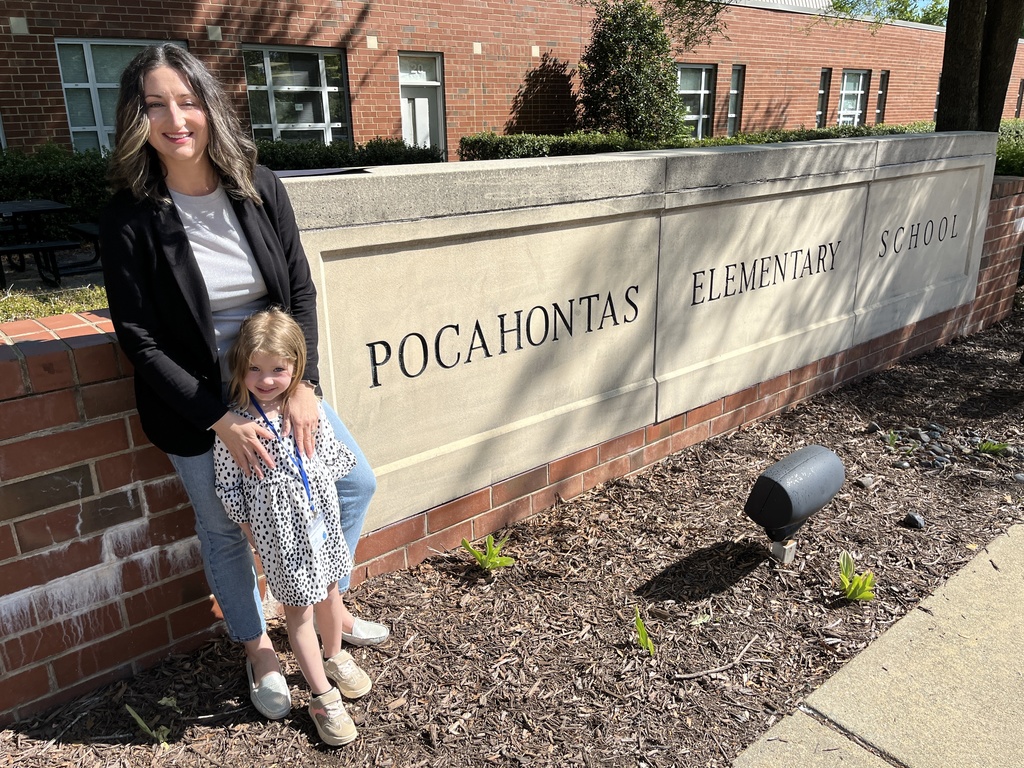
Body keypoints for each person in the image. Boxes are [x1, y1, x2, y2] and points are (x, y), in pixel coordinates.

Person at [99, 44, 388, 723]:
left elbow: (299, 291)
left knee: (351, 484)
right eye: (155, 104)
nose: (176, 118)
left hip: (274, 380)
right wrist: (218, 418)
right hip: (196, 401)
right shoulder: (131, 214)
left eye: (188, 100)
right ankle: (257, 645)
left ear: (209, 105)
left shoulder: (257, 183)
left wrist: (304, 386)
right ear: (135, 118)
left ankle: (326, 606)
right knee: (226, 528)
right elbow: (137, 338)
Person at [215, 308, 369, 745]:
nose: (266, 380)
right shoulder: (237, 428)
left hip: (324, 530)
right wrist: (256, 539)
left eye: (278, 369)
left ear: (296, 367)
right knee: (299, 614)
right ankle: (321, 695)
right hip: (283, 543)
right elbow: (230, 491)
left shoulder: (305, 411)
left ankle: (335, 655)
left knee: (331, 594)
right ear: (240, 367)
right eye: (255, 369)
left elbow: (333, 462)